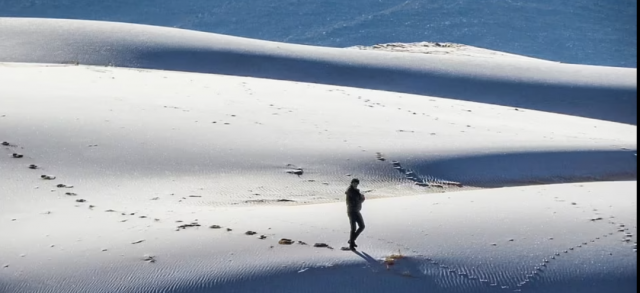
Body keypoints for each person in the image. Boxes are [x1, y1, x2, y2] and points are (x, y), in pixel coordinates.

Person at [346, 178, 365, 250]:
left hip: (356, 211)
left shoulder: (356, 191)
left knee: (362, 226)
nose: (355, 184)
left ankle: (352, 240)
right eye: (354, 183)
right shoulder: (350, 191)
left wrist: (362, 199)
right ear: (351, 183)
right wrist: (360, 199)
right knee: (353, 228)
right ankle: (351, 245)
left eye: (357, 183)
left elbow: (359, 201)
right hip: (351, 211)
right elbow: (350, 202)